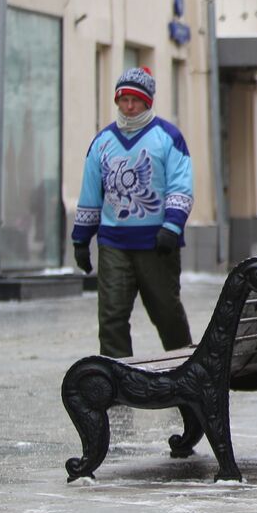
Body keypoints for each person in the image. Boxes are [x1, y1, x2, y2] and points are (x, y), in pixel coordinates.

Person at [71, 67, 194, 358]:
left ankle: (186, 371)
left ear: (148, 102)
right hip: (114, 242)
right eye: (124, 99)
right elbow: (91, 191)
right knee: (111, 315)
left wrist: (172, 226)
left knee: (166, 312)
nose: (129, 106)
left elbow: (181, 185)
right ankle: (117, 381)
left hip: (157, 243)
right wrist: (81, 239)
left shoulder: (167, 137)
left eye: (136, 100)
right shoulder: (102, 142)